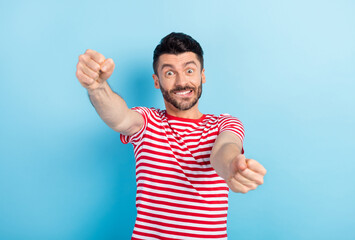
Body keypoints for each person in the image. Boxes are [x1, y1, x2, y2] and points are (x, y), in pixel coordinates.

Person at [76, 32, 267, 240]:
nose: (181, 81)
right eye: (169, 73)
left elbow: (225, 148)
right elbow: (120, 118)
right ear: (156, 81)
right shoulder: (147, 122)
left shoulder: (224, 124)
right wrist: (97, 87)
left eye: (189, 70)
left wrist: (232, 167)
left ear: (202, 75)